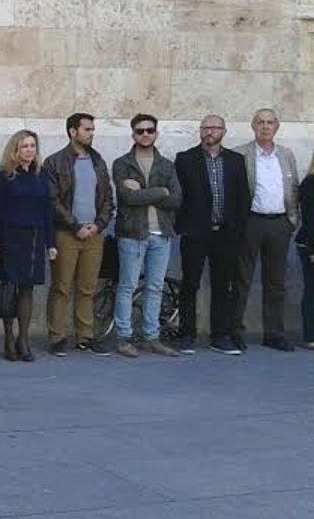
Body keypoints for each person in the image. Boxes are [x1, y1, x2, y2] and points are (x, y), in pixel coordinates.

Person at [174, 115, 250, 355]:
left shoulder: (236, 160)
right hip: (195, 233)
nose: (210, 132)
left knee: (223, 286)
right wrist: (182, 226)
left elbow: (242, 197)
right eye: (206, 128)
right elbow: (178, 197)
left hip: (226, 234)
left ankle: (221, 336)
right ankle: (187, 335)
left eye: (215, 128)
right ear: (200, 131)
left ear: (224, 132)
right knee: (189, 285)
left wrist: (238, 228)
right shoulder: (185, 159)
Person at [43, 112, 114, 357]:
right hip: (66, 233)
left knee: (88, 288)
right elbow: (52, 201)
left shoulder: (98, 161)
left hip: (94, 234)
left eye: (92, 130)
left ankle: (85, 336)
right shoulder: (55, 162)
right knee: (61, 287)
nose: (91, 134)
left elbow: (107, 198)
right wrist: (76, 226)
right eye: (87, 129)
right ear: (73, 131)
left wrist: (98, 225)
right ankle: (57, 337)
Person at [111, 114, 182, 358]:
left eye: (149, 130)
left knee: (155, 287)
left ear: (156, 133)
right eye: (140, 131)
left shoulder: (167, 165)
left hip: (161, 234)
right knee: (127, 286)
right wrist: (160, 191)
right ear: (133, 134)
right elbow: (127, 198)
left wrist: (149, 192)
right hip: (132, 233)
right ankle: (124, 337)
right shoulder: (122, 163)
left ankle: (152, 336)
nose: (145, 134)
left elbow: (176, 199)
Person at [233, 109, 300, 352]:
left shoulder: (286, 155)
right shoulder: (241, 154)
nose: (265, 126)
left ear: (277, 127)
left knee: (276, 282)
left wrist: (291, 220)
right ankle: (235, 332)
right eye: (260, 122)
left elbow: (292, 187)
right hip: (251, 223)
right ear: (253, 126)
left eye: (270, 122)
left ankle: (273, 334)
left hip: (280, 223)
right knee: (242, 279)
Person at [0, 130, 57, 362]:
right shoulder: (5, 175)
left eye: (32, 146)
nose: (29, 150)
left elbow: (47, 211)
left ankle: (23, 339)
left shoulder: (42, 175)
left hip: (35, 238)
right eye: (24, 146)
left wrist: (51, 243)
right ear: (15, 150)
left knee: (27, 289)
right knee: (9, 289)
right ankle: (8, 338)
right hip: (11, 237)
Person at [298, 155, 314, 350]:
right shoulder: (310, 184)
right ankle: (311, 334)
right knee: (312, 290)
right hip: (310, 244)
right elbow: (310, 219)